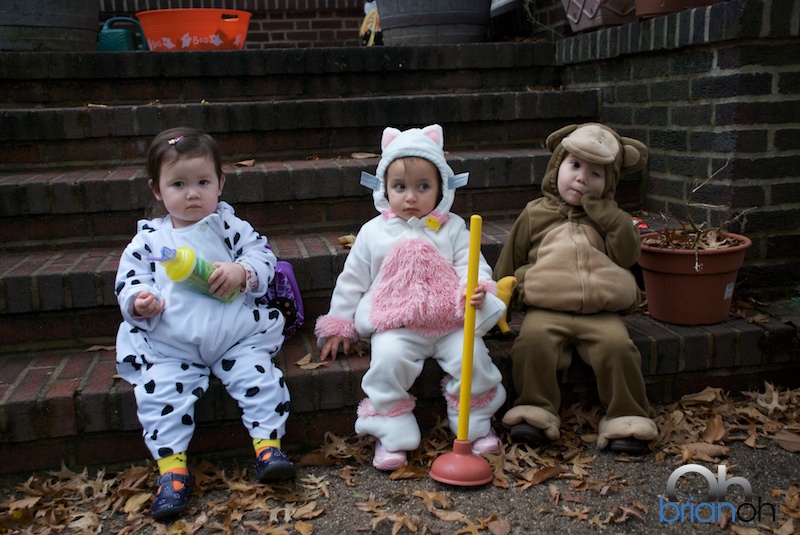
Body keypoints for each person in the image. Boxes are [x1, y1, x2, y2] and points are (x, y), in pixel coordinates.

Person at [114, 126, 295, 520]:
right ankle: (173, 472)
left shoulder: (228, 226)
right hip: (172, 344)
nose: (192, 193)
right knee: (159, 397)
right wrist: (139, 301)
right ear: (158, 190)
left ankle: (268, 446)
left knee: (261, 378)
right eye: (178, 184)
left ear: (220, 183)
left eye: (202, 182)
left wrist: (241, 270)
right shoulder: (149, 241)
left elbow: (263, 255)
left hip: (233, 336)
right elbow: (130, 280)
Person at [315, 124, 507, 471]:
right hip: (397, 323)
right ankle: (391, 432)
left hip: (449, 321)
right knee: (386, 364)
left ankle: (474, 427)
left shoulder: (453, 228)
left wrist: (475, 287)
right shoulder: (373, 232)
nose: (411, 197)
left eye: (423, 187)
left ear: (442, 189)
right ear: (384, 188)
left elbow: (471, 263)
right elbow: (352, 279)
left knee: (474, 360)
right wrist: (339, 324)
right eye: (400, 187)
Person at [493, 123, 658, 454]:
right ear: (557, 167)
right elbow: (509, 260)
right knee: (531, 345)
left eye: (596, 174)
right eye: (575, 166)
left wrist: (612, 220)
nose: (582, 178)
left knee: (618, 348)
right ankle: (536, 409)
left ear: (609, 183)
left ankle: (626, 417)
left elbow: (628, 256)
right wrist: (497, 311)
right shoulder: (535, 213)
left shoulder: (611, 218)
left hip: (599, 311)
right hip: (546, 307)